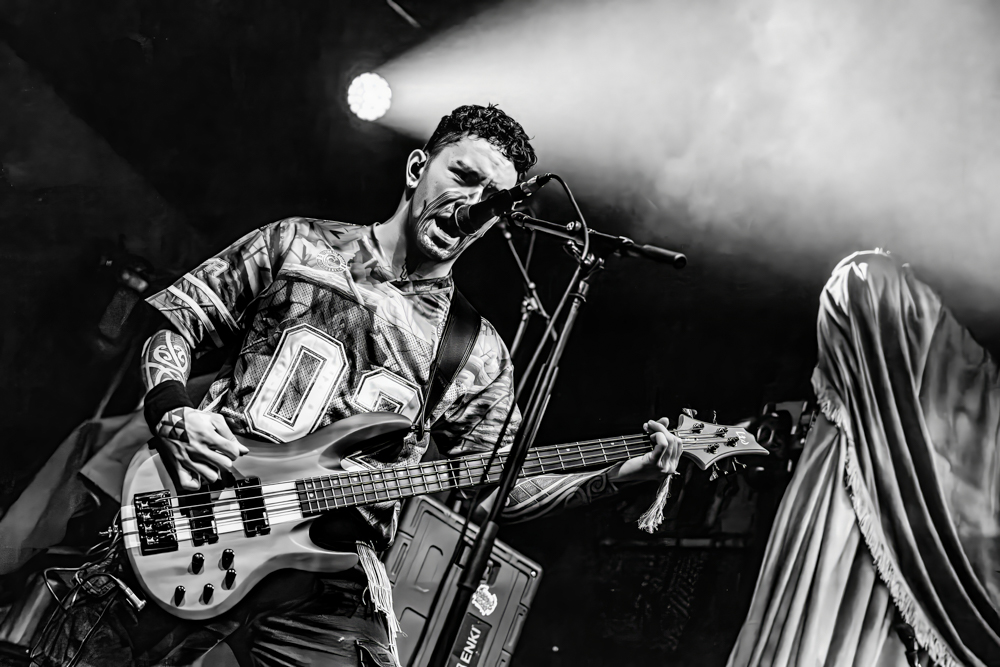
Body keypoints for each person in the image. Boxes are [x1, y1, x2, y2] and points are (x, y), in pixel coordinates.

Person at [53, 104, 682, 667]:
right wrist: (172, 411)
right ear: (417, 169)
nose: (471, 202)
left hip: (331, 580)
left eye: (492, 198)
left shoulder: (476, 349)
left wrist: (620, 475)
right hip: (205, 510)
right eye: (462, 176)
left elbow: (497, 486)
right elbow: (179, 319)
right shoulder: (298, 242)